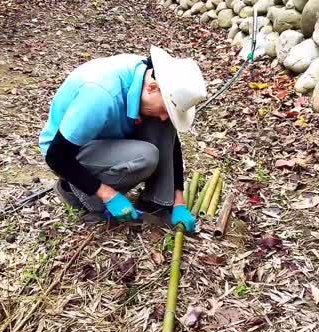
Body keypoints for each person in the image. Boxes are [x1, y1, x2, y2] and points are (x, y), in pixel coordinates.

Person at [38, 46, 207, 232]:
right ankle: (74, 191)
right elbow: (56, 156)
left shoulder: (148, 75)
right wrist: (107, 194)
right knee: (145, 156)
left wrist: (179, 202)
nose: (165, 117)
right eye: (167, 110)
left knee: (163, 123)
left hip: (104, 135)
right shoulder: (100, 95)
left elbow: (171, 142)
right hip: (68, 150)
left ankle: (156, 202)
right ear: (152, 88)